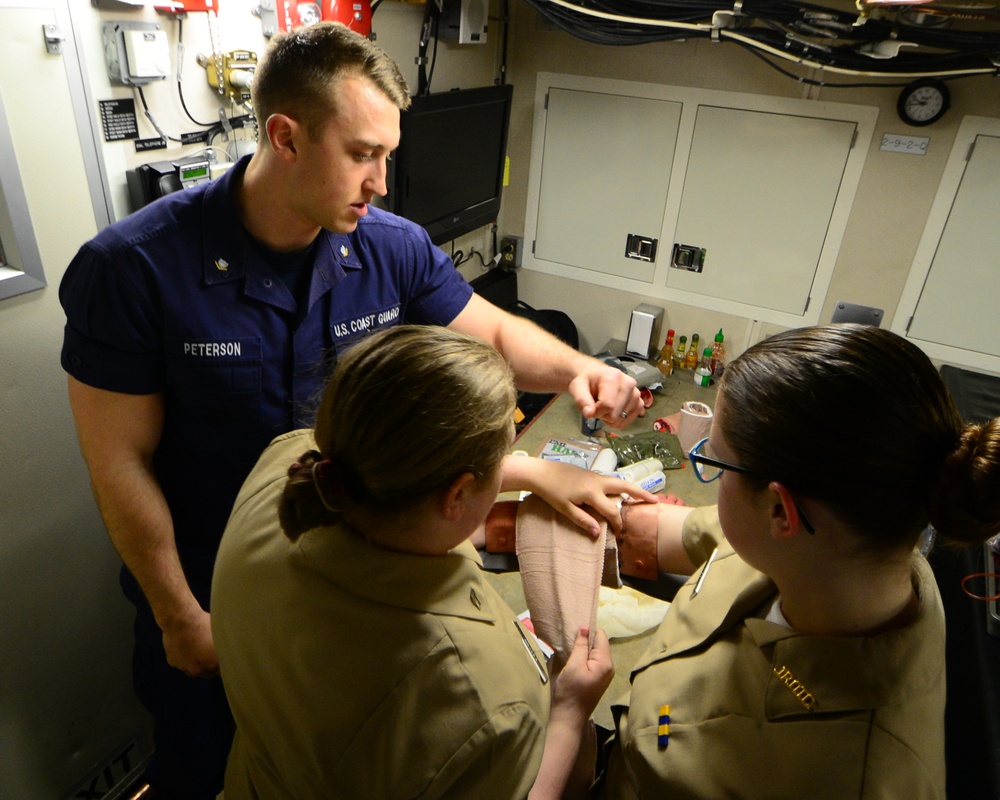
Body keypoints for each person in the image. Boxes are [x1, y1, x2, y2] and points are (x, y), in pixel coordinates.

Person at [59, 22, 642, 799]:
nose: (381, 183)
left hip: (352, 579)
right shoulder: (132, 269)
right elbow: (118, 461)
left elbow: (493, 329)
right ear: (286, 137)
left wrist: (578, 369)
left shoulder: (387, 245)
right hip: (218, 588)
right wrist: (176, 612)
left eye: (388, 158)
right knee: (209, 767)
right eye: (363, 155)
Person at [212, 324, 625, 798]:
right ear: (457, 493)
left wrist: (530, 471)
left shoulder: (286, 472)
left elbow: (383, 461)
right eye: (504, 456)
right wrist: (570, 714)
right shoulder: (478, 695)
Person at [594, 323, 1000, 799]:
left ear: (778, 509)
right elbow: (664, 532)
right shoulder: (852, 549)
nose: (711, 478)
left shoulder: (861, 778)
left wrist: (567, 730)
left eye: (717, 465)